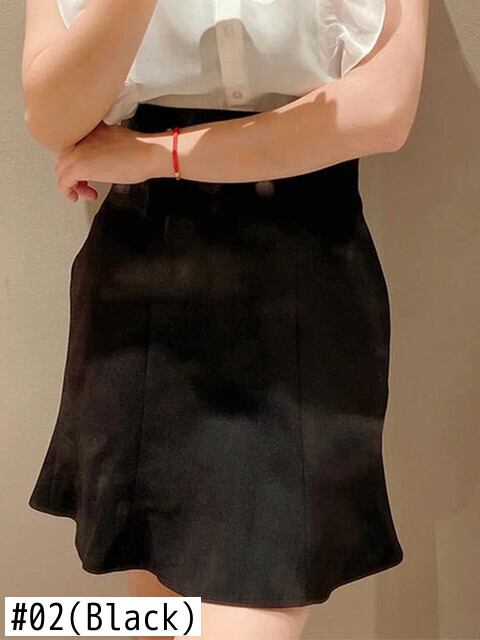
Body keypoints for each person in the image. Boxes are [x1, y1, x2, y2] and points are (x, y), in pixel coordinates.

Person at [22, 1, 430, 639]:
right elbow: (53, 118)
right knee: (158, 610)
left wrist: (159, 154)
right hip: (140, 279)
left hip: (297, 275)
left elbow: (383, 109)